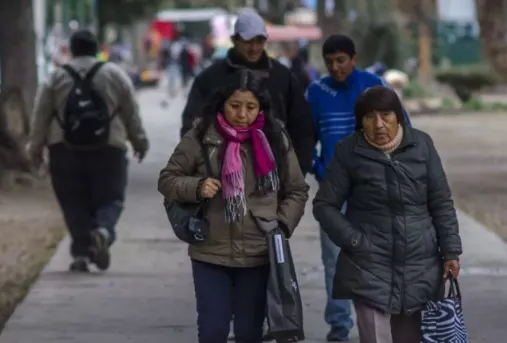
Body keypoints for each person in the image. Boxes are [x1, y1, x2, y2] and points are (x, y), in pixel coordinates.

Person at [158, 70, 309, 343]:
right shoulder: (202, 135)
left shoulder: (275, 138)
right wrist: (197, 187)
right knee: (213, 331)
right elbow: (168, 179)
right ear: (222, 104)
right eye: (235, 106)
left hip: (259, 253)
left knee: (249, 334)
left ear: (261, 107)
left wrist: (281, 226)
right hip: (210, 253)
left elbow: (297, 190)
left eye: (251, 107)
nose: (242, 114)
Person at [313, 86, 463, 343]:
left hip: (420, 265)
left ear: (399, 116)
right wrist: (355, 241)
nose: (379, 125)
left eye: (386, 115)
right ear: (360, 122)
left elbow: (441, 202)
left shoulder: (422, 145)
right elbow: (324, 205)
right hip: (368, 266)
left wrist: (450, 251)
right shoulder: (348, 151)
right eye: (369, 117)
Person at [305, 34, 411, 342]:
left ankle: (381, 321)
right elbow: (303, 138)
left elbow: (403, 129)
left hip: (374, 190)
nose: (336, 67)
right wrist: (317, 166)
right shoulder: (316, 92)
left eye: (341, 60)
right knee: (334, 259)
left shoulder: (374, 86)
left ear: (354, 59)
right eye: (329, 62)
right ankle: (339, 326)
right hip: (333, 191)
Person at [28, 29, 148, 272]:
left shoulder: (56, 77)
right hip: (109, 148)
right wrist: (139, 142)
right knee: (111, 197)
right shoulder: (115, 74)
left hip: (64, 149)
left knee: (73, 201)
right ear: (97, 49)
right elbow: (131, 113)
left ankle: (81, 253)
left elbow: (40, 115)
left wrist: (35, 148)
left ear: (72, 50)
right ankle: (103, 230)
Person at [180, 9, 313, 177]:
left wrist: (298, 171)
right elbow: (191, 125)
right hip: (220, 175)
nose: (254, 47)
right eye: (248, 41)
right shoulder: (210, 79)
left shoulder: (283, 78)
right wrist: (200, 169)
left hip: (275, 174)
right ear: (234, 40)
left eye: (260, 41)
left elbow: (301, 127)